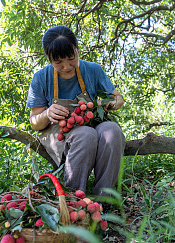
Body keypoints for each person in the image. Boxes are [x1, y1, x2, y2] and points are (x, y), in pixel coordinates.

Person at [26, 25, 126, 197]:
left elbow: (119, 99)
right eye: (58, 62)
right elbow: (35, 122)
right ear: (49, 59)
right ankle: (74, 201)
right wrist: (47, 113)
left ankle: (103, 200)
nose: (66, 66)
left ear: (77, 49)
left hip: (92, 123)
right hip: (60, 133)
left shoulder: (93, 70)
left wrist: (110, 103)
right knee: (85, 135)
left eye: (71, 58)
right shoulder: (41, 78)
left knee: (112, 131)